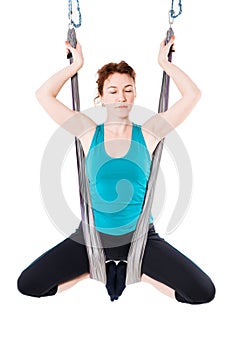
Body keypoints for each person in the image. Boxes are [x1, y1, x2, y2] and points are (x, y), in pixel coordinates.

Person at [17, 36, 215, 304]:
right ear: (100, 98)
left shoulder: (149, 134)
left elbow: (193, 95)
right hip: (91, 238)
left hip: (141, 239)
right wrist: (74, 66)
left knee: (202, 292)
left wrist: (164, 64)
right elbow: (43, 95)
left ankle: (135, 274)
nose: (121, 97)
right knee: (29, 284)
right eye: (112, 91)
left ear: (135, 94)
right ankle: (96, 271)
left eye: (128, 89)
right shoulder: (88, 132)